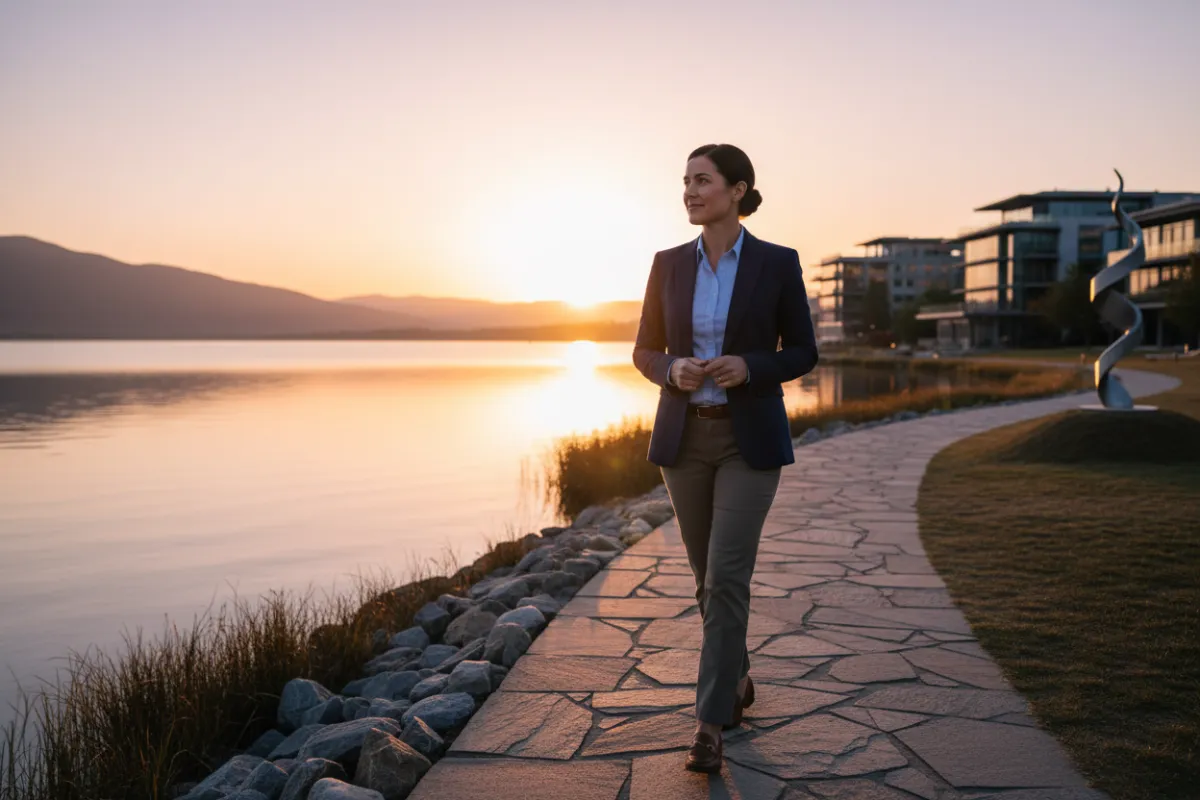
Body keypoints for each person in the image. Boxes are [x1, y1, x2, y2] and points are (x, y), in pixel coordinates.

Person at [632, 143, 819, 773]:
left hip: (749, 442)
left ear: (737, 190)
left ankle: (710, 724)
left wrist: (751, 366)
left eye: (702, 180)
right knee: (707, 583)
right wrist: (672, 368)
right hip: (683, 443)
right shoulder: (667, 265)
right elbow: (643, 351)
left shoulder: (776, 263)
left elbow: (802, 352)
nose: (689, 191)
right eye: (685, 181)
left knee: (728, 577)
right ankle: (737, 679)